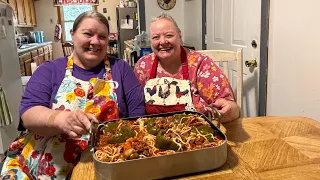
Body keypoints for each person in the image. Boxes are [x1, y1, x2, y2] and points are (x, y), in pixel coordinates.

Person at [0, 10, 145, 179]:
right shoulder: (50, 70)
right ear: (72, 35)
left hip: (104, 163)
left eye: (102, 37)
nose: (95, 41)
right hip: (42, 164)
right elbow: (28, 113)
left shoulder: (121, 69)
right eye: (88, 34)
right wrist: (60, 119)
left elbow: (138, 118)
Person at [134, 14, 239, 123]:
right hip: (152, 135)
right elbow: (134, 107)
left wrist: (229, 110)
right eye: (156, 37)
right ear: (151, 41)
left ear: (180, 36)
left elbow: (232, 109)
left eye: (169, 35)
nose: (163, 41)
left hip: (196, 133)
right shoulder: (143, 65)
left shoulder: (201, 63)